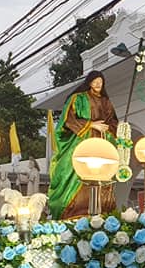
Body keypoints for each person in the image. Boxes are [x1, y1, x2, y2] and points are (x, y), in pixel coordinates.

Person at [49, 70, 120, 219]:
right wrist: (91, 125)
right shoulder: (78, 98)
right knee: (75, 174)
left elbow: (113, 121)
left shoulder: (106, 102)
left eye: (100, 81)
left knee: (103, 177)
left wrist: (109, 128)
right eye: (95, 81)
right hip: (82, 142)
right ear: (89, 82)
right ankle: (72, 211)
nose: (98, 84)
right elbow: (68, 120)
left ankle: (101, 213)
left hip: (102, 143)